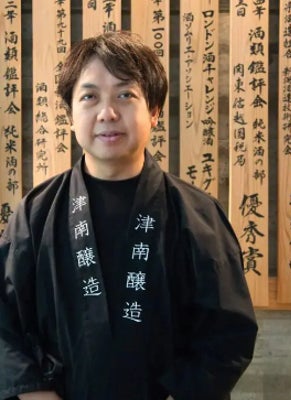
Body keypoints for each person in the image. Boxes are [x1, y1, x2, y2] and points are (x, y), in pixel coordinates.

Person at [0, 31, 258, 400]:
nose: (107, 113)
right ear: (70, 115)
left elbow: (228, 333)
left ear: (153, 111)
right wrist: (35, 392)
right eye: (89, 97)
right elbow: (5, 321)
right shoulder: (35, 214)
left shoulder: (198, 215)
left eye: (125, 95)